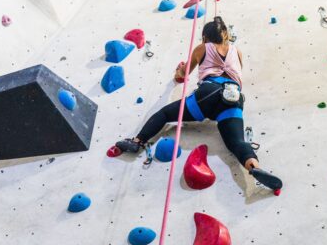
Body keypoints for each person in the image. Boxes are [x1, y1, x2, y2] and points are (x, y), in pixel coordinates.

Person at [115, 15, 283, 192]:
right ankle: (254, 166)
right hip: (233, 98)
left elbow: (183, 74)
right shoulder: (237, 52)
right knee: (236, 143)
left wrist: (178, 71)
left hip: (208, 93)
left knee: (165, 114)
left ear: (204, 37)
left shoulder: (202, 48)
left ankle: (137, 142)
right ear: (225, 36)